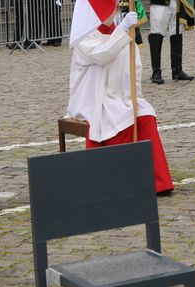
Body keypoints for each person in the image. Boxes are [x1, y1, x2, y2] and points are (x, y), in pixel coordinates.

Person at [66, 10, 174, 194]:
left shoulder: (123, 35)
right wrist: (123, 29)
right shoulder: (84, 36)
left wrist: (134, 98)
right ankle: (126, 180)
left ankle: (158, 181)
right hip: (92, 98)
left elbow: (134, 71)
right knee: (119, 119)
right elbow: (102, 54)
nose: (111, 12)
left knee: (145, 115)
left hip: (119, 94)